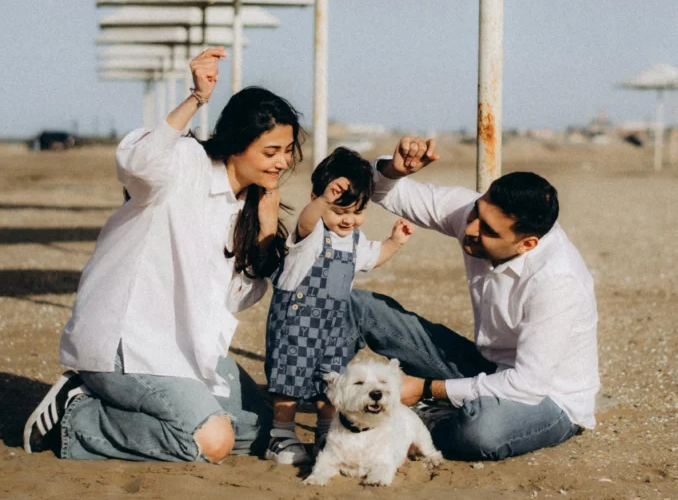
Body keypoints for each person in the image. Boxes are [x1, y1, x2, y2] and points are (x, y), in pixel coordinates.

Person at [24, 48, 304, 463]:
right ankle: (75, 417)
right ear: (237, 144)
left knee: (259, 432)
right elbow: (136, 162)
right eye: (271, 151)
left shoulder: (244, 208)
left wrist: (264, 233)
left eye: (287, 150)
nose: (282, 162)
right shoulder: (184, 165)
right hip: (125, 342)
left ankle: (127, 407)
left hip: (183, 347)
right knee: (212, 442)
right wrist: (195, 98)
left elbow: (231, 300)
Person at [347, 137, 599, 461]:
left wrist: (425, 388)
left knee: (480, 433)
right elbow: (387, 192)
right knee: (360, 306)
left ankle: (415, 421)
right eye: (476, 212)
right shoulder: (473, 217)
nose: (471, 229)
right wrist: (393, 170)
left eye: (490, 231)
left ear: (527, 245)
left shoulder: (556, 281)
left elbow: (526, 384)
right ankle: (326, 409)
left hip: (547, 399)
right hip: (486, 369)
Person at [264, 147, 414, 466]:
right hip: (296, 322)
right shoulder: (313, 233)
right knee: (290, 378)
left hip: (333, 325)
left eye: (357, 211)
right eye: (339, 210)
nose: (348, 219)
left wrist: (395, 242)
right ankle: (281, 434)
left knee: (329, 382)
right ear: (317, 199)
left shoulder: (355, 240)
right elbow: (306, 221)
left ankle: (324, 431)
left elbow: (374, 258)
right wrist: (320, 204)